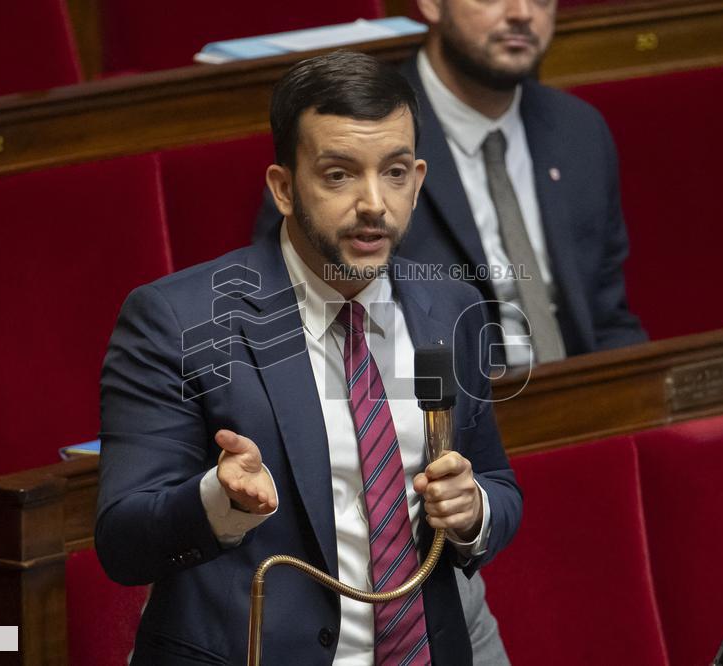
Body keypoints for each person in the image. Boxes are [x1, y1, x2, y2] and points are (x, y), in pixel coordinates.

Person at [96, 51, 522, 665]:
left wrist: (472, 507)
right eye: (339, 175)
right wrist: (221, 500)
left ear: (418, 179)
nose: (374, 203)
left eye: (395, 172)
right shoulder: (178, 320)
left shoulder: (448, 310)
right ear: (284, 188)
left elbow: (498, 484)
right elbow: (122, 541)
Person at [256, 0, 646, 368]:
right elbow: (299, 325)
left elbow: (608, 318)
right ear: (430, 4)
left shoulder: (579, 130)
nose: (522, 13)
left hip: (580, 401)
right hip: (426, 416)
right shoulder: (358, 137)